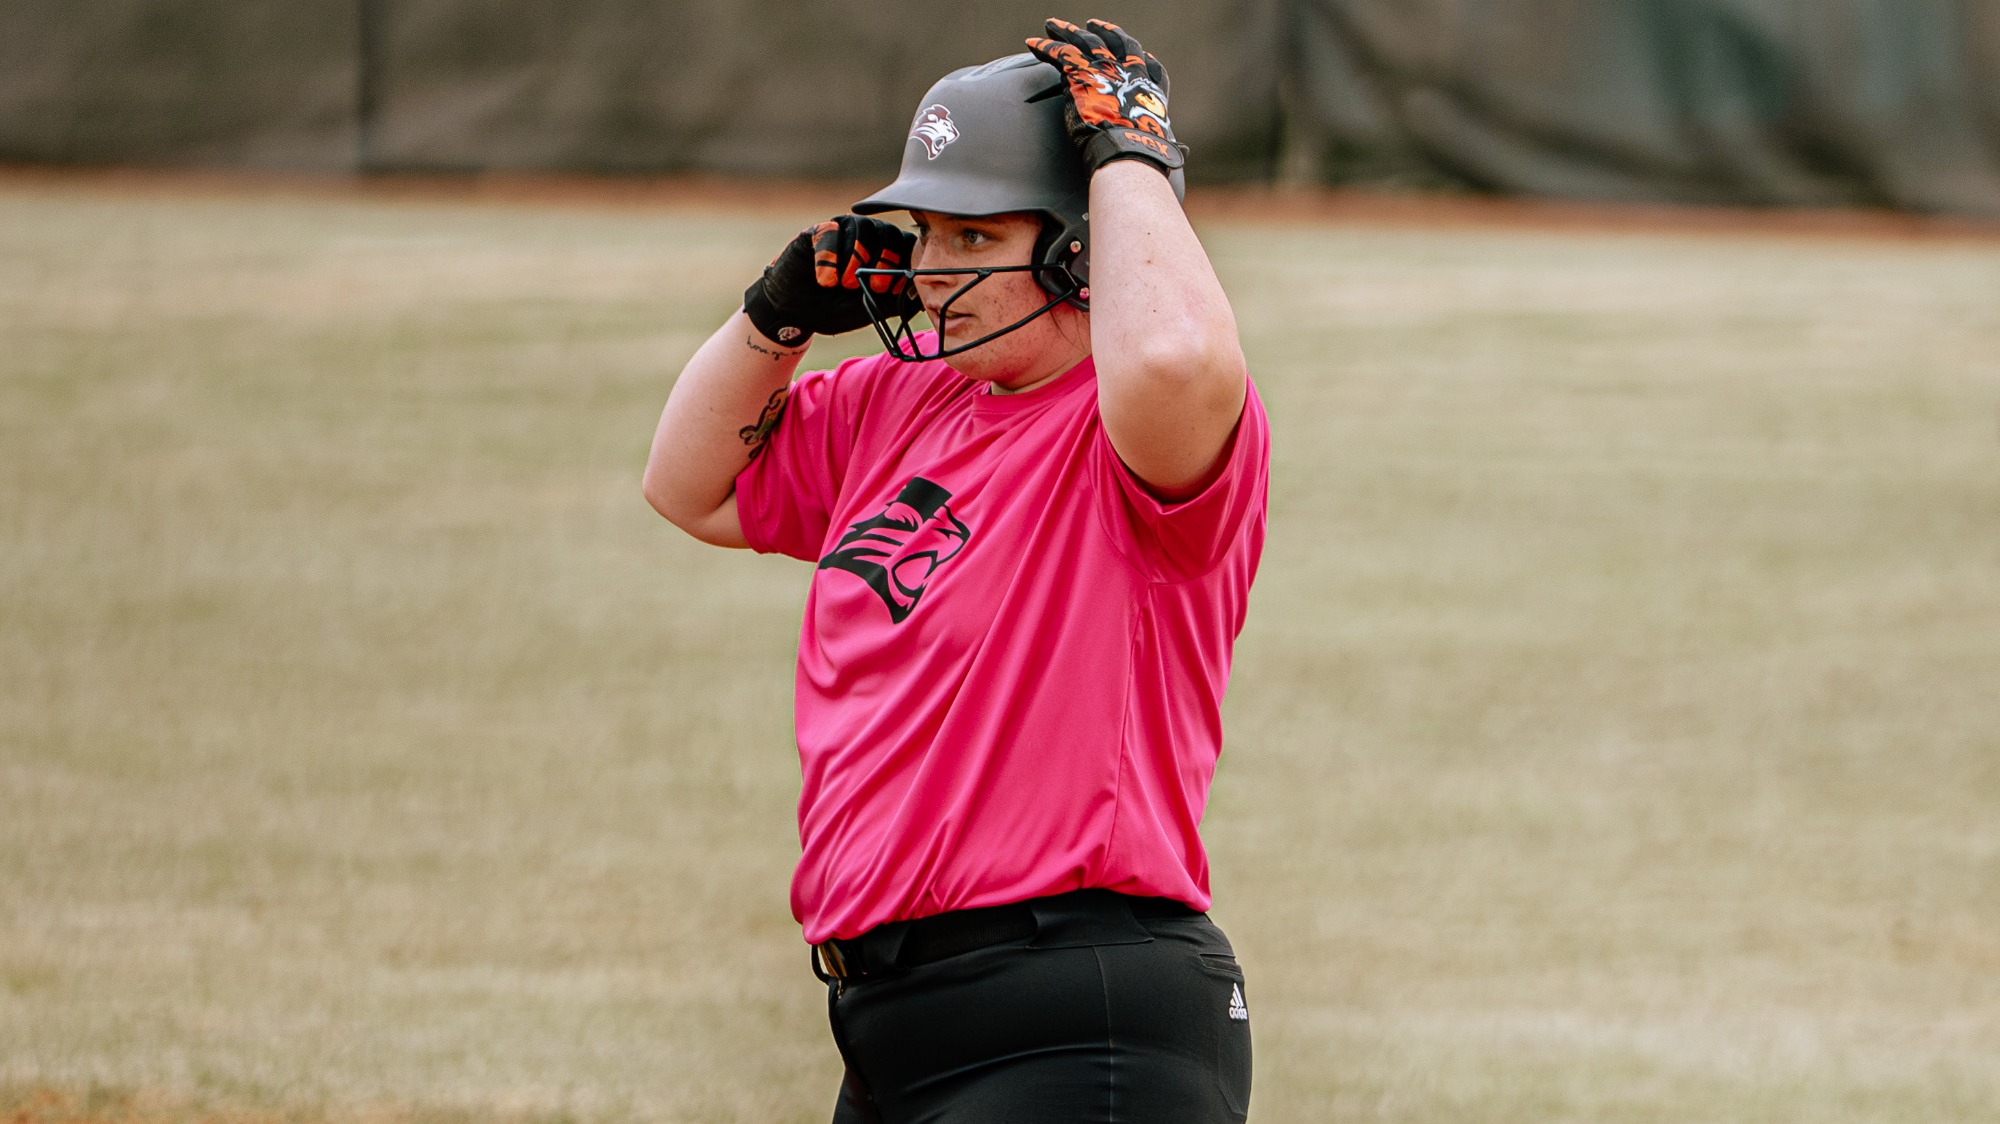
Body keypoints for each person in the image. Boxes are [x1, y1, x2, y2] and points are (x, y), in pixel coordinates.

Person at [643, 18, 1268, 1122]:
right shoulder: (902, 402)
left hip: (1079, 1015)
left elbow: (1174, 355)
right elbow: (687, 484)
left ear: (1082, 247)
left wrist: (1128, 157)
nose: (931, 270)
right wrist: (776, 316)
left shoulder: (1136, 431)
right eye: (926, 231)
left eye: (974, 235)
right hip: (892, 1028)